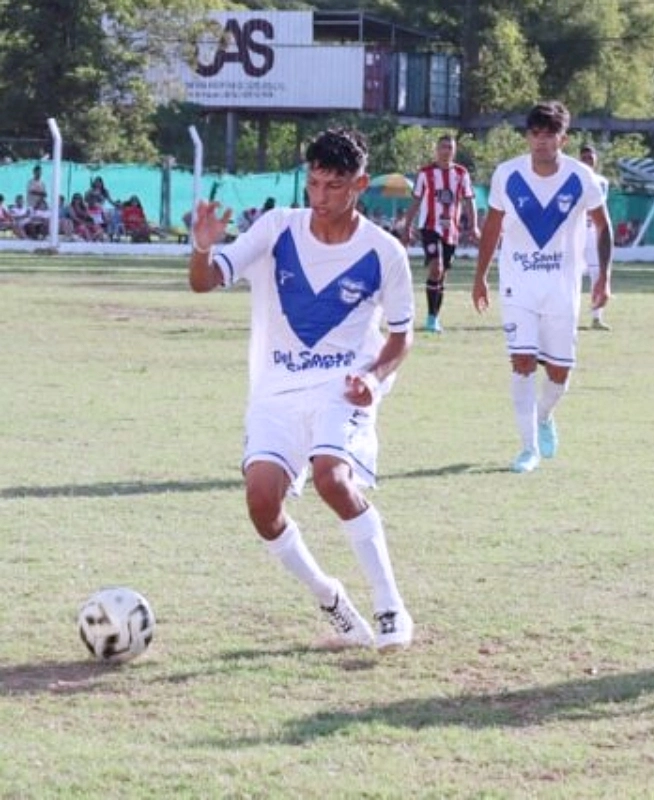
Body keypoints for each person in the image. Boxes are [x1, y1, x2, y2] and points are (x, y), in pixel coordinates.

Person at [186, 127, 417, 652]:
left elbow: (403, 337)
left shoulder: (384, 252)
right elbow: (204, 281)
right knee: (261, 501)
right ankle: (330, 597)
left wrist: (374, 379)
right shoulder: (277, 229)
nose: (321, 197)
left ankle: (389, 605)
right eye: (313, 183)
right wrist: (202, 247)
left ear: (360, 184)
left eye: (334, 185)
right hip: (276, 392)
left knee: (332, 478)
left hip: (342, 389)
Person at [472, 101, 612, 473]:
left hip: (562, 288)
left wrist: (604, 277)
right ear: (527, 137)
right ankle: (527, 448)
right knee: (521, 363)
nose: (541, 142)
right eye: (535, 134)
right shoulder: (507, 175)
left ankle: (545, 415)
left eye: (549, 135)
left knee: (559, 373)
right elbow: (492, 226)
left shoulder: (581, 177)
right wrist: (480, 276)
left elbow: (603, 226)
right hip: (518, 284)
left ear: (562, 139)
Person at [398, 135, 480, 333]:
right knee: (437, 267)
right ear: (436, 150)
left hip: (451, 230)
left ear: (454, 151)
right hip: (429, 227)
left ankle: (434, 317)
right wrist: (407, 227)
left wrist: (474, 226)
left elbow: (469, 200)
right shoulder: (426, 173)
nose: (446, 151)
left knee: (442, 274)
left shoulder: (461, 173)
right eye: (443, 147)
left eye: (450, 148)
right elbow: (416, 200)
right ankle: (430, 319)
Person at [579, 144, 613, 331]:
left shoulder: (601, 182)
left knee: (598, 273)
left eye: (590, 159)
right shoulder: (572, 179)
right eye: (584, 158)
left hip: (593, 233)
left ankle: (597, 317)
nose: (587, 162)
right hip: (576, 233)